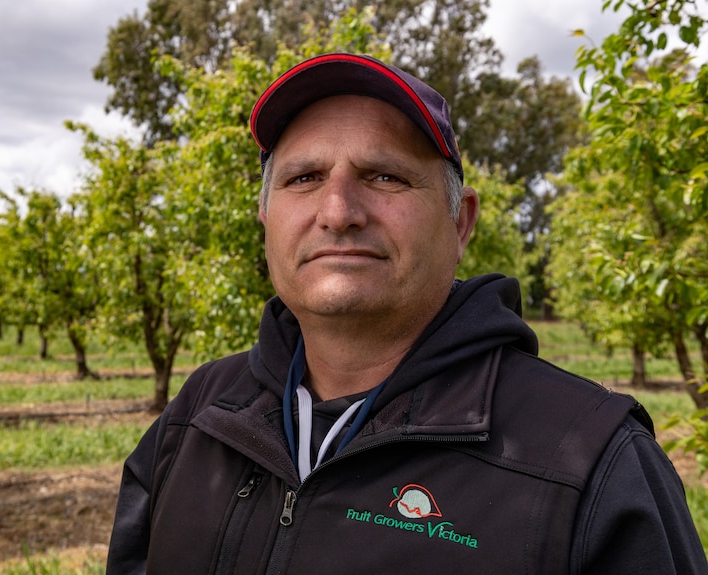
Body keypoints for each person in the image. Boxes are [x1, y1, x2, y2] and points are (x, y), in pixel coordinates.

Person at [105, 53, 707, 574]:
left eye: (385, 176)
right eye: (304, 177)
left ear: (461, 221)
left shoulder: (587, 458)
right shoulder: (199, 416)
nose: (338, 211)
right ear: (266, 218)